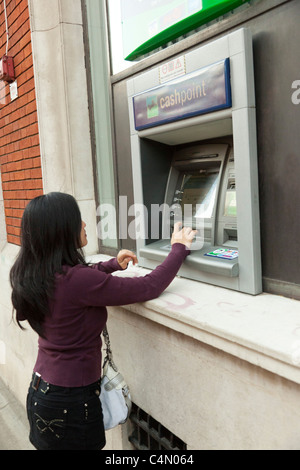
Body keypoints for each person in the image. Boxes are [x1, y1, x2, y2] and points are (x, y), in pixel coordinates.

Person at [10, 192, 196, 451]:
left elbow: (76, 282)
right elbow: (149, 286)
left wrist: (110, 265)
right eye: (78, 220)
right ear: (62, 230)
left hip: (42, 391)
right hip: (71, 402)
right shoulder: (76, 281)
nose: (85, 225)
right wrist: (178, 247)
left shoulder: (34, 273)